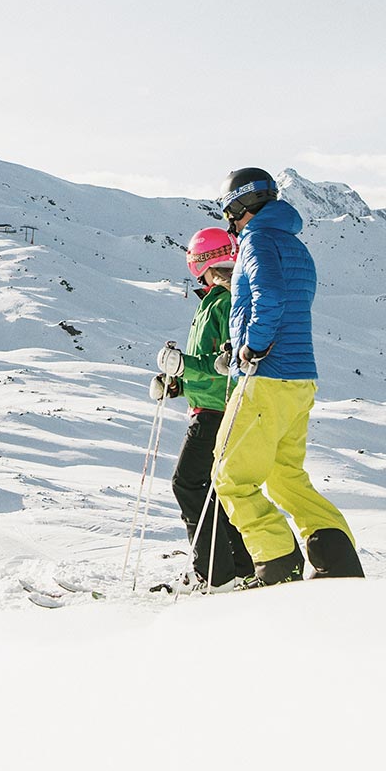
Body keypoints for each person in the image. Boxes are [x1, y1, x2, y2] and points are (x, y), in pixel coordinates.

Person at [212, 166, 364, 584]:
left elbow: (270, 296)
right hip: (299, 377)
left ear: (242, 205)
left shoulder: (257, 240)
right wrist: (239, 342)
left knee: (229, 477)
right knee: (284, 477)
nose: (230, 223)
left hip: (267, 376)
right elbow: (289, 301)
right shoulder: (293, 244)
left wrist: (254, 346)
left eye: (230, 213)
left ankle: (277, 566)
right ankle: (337, 564)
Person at [151, 228, 257, 588]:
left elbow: (221, 364)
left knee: (187, 484)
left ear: (199, 263)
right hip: (212, 407)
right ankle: (240, 568)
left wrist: (185, 367)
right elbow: (213, 364)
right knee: (214, 489)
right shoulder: (214, 300)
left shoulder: (225, 302)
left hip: (216, 411)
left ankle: (214, 572)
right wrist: (178, 383)